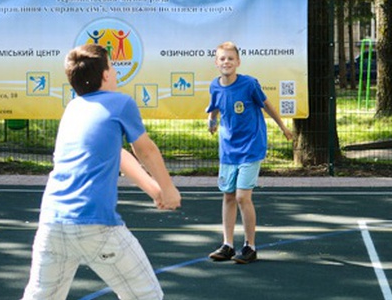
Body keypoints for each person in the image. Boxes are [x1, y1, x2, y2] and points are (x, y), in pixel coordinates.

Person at [21, 44, 181, 300]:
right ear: (105, 75)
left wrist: (155, 190)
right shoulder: (120, 103)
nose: (116, 72)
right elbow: (146, 150)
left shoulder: (73, 108)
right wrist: (169, 190)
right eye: (113, 67)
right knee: (146, 296)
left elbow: (118, 155)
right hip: (94, 224)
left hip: (52, 222)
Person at [206, 41, 293, 263]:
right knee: (228, 196)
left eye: (230, 58)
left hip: (250, 147)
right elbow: (215, 105)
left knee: (243, 196)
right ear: (217, 63)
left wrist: (282, 126)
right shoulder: (215, 86)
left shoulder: (249, 84)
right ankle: (227, 244)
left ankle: (249, 246)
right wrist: (211, 120)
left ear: (238, 62)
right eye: (222, 58)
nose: (226, 62)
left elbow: (267, 105)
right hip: (228, 149)